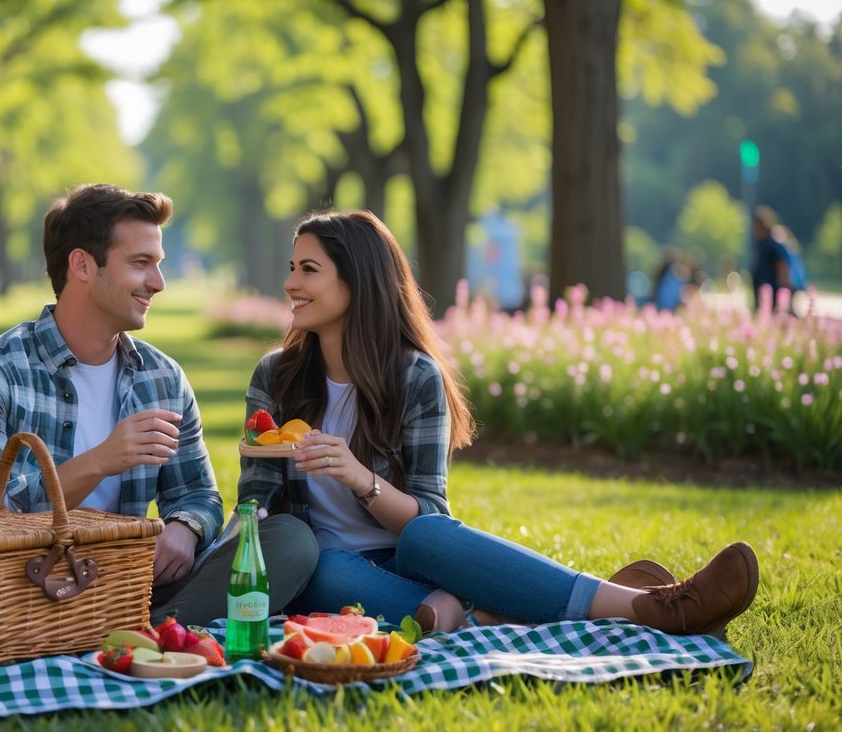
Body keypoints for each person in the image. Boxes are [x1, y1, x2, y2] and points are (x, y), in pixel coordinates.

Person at [239, 209, 760, 636]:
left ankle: (654, 606)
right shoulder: (276, 378)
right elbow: (255, 506)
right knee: (319, 563)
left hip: (410, 559)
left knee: (428, 536)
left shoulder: (413, 376)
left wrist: (360, 478)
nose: (289, 284)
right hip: (328, 569)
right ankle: (548, 607)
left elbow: (428, 514)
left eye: (308, 270)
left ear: (359, 281)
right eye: (292, 267)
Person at [0, 183, 318, 625]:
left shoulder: (162, 378)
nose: (158, 283)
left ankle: (138, 626)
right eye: (141, 264)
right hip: (24, 588)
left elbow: (198, 495)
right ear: (82, 265)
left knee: (290, 541)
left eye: (157, 265)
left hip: (132, 584)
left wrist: (185, 527)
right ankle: (144, 631)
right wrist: (100, 460)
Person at [751, 205, 802, 307]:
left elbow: (783, 268)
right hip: (764, 296)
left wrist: (783, 295)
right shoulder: (763, 245)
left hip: (774, 296)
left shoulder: (774, 245)